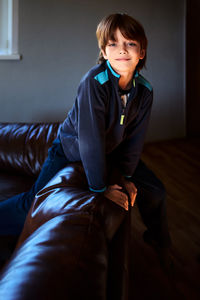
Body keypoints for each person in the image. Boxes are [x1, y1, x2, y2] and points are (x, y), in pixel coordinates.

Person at [0, 13, 172, 269]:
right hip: (72, 149)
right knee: (33, 201)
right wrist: (100, 187)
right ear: (104, 51)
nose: (122, 50)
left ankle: (160, 243)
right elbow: (90, 141)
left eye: (130, 44)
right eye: (113, 44)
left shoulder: (144, 90)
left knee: (156, 191)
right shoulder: (95, 83)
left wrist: (125, 175)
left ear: (142, 52)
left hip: (112, 151)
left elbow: (135, 140)